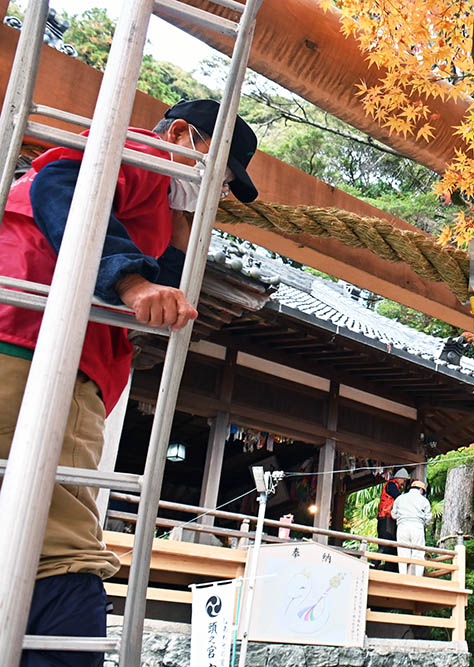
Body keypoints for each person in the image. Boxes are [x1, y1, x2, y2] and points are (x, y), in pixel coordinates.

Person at [0, 99, 258, 666]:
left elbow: (164, 271)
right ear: (185, 135)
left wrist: (179, 238)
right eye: (220, 174)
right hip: (37, 342)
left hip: (32, 339)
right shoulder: (146, 153)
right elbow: (65, 185)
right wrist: (131, 283)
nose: (214, 192)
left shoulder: (156, 203)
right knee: (63, 552)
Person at [391, 479, 432, 576]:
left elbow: (393, 514)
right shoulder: (424, 500)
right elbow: (428, 518)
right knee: (418, 553)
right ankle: (417, 577)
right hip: (417, 526)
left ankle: (403, 575)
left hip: (402, 527)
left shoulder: (400, 498)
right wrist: (424, 523)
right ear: (421, 490)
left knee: (402, 552)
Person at [376, 468, 410, 567]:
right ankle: (373, 565)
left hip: (389, 518)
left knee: (392, 547)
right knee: (385, 544)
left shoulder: (394, 486)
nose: (404, 482)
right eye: (404, 480)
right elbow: (399, 498)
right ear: (399, 478)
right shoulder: (391, 485)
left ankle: (389, 569)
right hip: (385, 518)